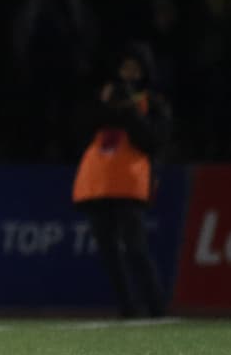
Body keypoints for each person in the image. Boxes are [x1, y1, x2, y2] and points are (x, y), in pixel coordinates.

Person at [72, 42, 170, 317]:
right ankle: (128, 306)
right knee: (108, 251)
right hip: (99, 182)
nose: (129, 73)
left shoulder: (153, 103)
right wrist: (105, 104)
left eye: (135, 68)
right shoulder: (105, 99)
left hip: (129, 183)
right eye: (125, 67)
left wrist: (129, 110)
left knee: (136, 248)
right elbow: (82, 127)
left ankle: (156, 305)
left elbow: (153, 140)